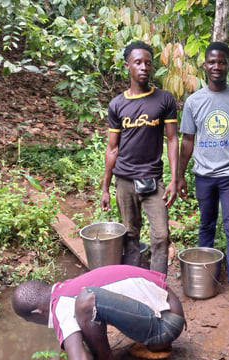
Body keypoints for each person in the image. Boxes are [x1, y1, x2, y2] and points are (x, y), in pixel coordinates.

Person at [178, 41, 229, 311]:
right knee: (206, 226)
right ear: (204, 65)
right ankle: (205, 279)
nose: (216, 66)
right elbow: (188, 140)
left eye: (221, 62)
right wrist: (179, 175)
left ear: (228, 66)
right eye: (212, 62)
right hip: (204, 176)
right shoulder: (194, 101)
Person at [101, 41, 179, 275]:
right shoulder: (117, 104)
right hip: (124, 180)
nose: (143, 67)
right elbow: (112, 148)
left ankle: (157, 285)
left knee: (161, 236)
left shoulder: (164, 100)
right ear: (128, 66)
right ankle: (134, 281)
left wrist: (174, 179)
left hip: (152, 181)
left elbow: (172, 139)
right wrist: (105, 187)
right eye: (138, 62)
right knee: (130, 235)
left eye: (147, 62)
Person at [11, 265, 185, 360]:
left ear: (36, 313)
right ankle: (156, 344)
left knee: (86, 303)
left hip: (167, 324)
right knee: (85, 306)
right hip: (170, 309)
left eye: (31, 321)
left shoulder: (60, 305)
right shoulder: (64, 289)